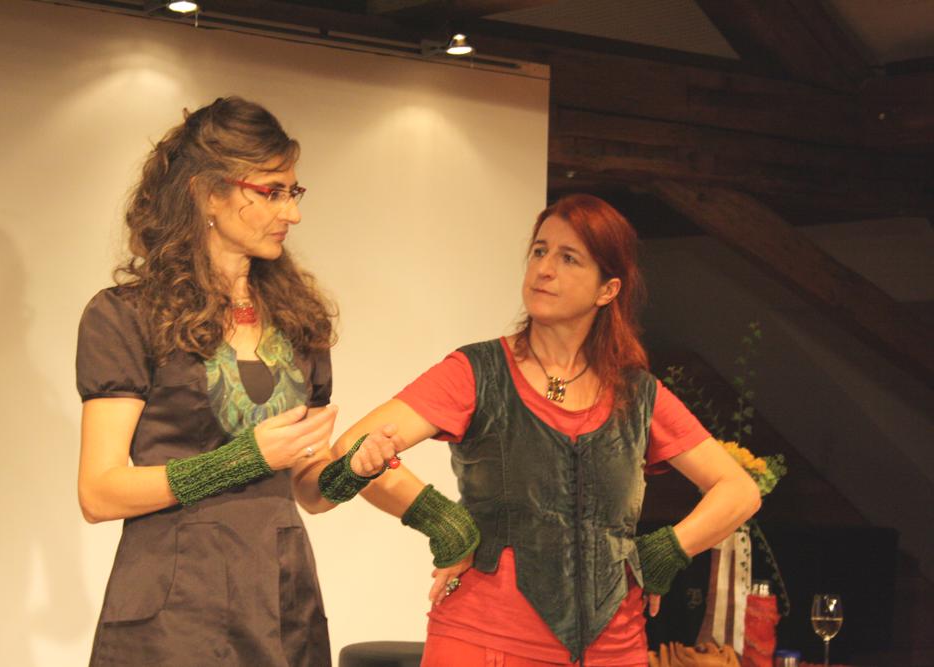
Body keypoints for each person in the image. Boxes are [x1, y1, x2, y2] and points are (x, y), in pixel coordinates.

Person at [327, 194, 763, 666]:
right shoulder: (477, 371)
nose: (544, 269)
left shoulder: (637, 393)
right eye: (539, 251)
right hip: (486, 641)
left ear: (607, 290)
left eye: (569, 258)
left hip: (613, 650)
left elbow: (739, 490)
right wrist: (443, 522)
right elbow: (353, 445)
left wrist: (668, 551)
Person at [75, 96, 396, 666]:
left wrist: (351, 469)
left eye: (293, 192)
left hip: (281, 596)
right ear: (207, 193)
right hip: (175, 609)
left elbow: (308, 490)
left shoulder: (298, 321)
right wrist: (243, 459)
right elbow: (99, 494)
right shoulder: (127, 316)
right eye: (271, 191)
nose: (292, 213)